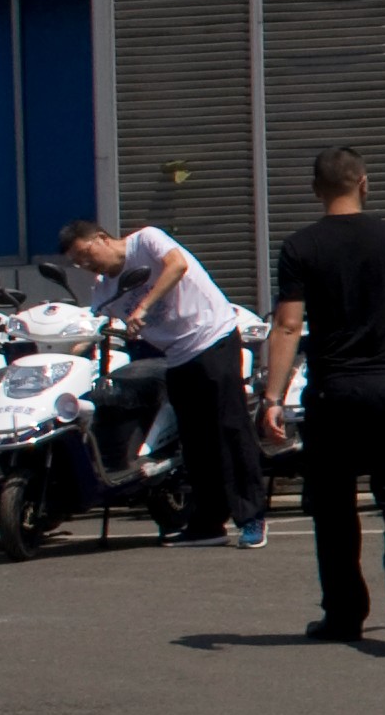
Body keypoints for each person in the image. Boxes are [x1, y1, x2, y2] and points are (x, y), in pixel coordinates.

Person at [256, 147, 385, 652]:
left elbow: (287, 324)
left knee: (332, 505)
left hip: (333, 392)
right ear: (364, 184)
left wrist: (272, 397)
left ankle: (344, 612)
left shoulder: (301, 246)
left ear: (315, 189)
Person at [55, 215, 265, 549]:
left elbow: (176, 265)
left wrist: (142, 307)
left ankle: (251, 517)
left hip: (213, 338)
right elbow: (92, 320)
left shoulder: (147, 241)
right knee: (196, 444)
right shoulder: (104, 289)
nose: (85, 265)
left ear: (101, 238)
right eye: (77, 263)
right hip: (177, 357)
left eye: (86, 255)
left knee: (229, 429)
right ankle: (208, 524)